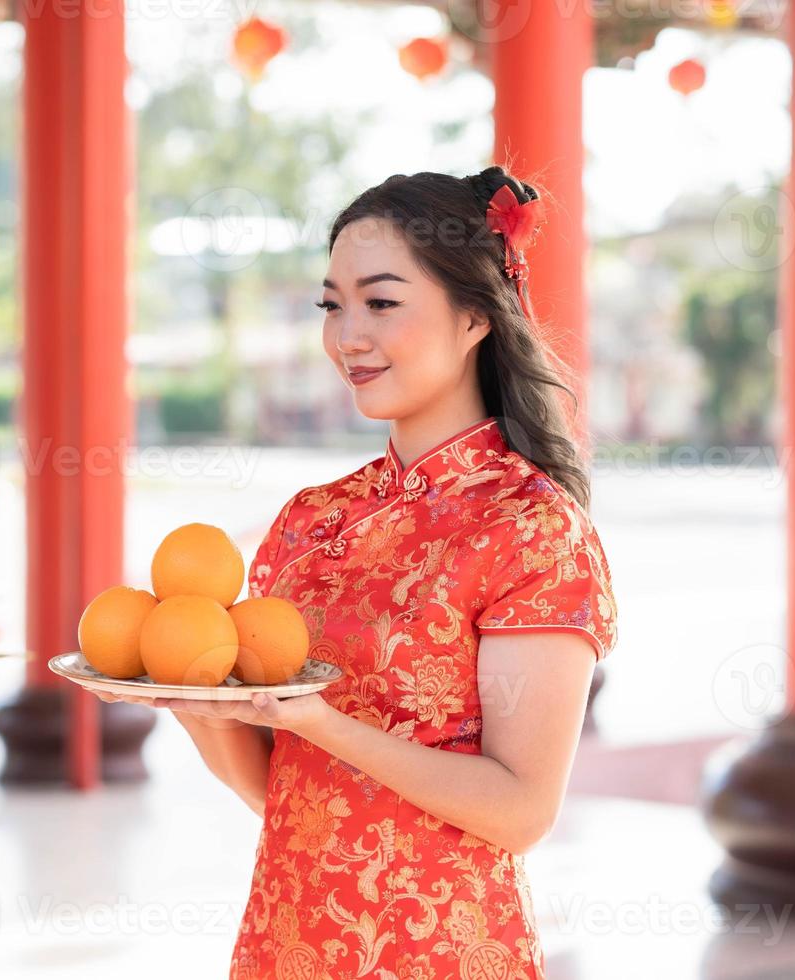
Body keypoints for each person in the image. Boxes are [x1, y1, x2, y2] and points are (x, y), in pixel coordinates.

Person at [96, 166, 618, 979]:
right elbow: (283, 793)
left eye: (380, 302)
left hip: (443, 951)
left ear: (476, 314)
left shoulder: (530, 526)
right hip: (287, 938)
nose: (348, 336)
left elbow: (520, 810)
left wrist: (321, 721)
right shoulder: (312, 520)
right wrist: (193, 705)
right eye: (332, 305)